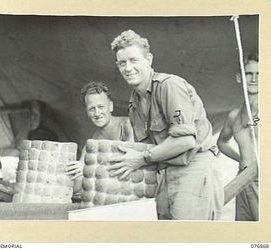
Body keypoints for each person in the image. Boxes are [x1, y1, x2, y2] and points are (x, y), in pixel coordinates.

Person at [107, 29, 224, 220]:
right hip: (165, 172)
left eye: (134, 60)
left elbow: (186, 141)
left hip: (193, 167)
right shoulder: (134, 103)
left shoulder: (169, 85)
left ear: (149, 59)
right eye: (122, 63)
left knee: (189, 238)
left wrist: (142, 158)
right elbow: (148, 147)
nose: (128, 68)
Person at [65, 81, 134, 182]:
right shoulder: (92, 142)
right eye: (92, 109)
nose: (97, 113)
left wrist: (90, 168)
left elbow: (128, 162)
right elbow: (80, 168)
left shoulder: (126, 125)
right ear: (87, 111)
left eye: (101, 107)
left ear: (110, 106)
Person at [217, 53, 259, 221]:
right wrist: (241, 158)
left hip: (264, 182)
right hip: (242, 180)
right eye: (249, 73)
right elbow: (221, 142)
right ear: (239, 77)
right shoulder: (234, 116)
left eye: (260, 73)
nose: (254, 79)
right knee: (245, 234)